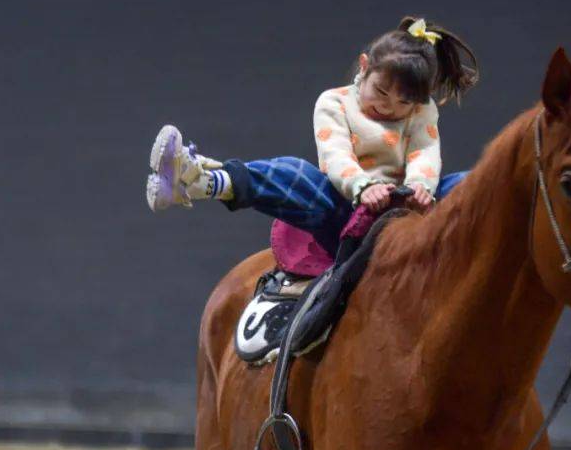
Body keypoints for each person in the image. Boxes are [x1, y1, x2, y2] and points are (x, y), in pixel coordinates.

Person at [145, 17, 478, 269]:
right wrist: (362, 186)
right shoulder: (334, 103)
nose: (389, 107)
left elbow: (425, 151)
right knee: (295, 172)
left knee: (472, 184)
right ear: (365, 67)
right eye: (381, 92)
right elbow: (335, 155)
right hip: (347, 205)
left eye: (403, 103)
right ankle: (202, 181)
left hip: (409, 207)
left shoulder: (422, 112)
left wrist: (420, 185)